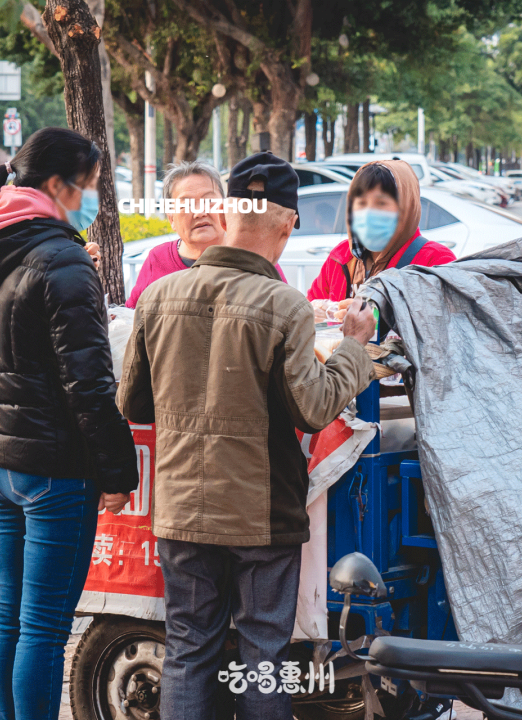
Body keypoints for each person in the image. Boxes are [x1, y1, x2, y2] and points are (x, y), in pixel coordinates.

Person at [117, 152, 377, 720]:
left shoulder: (159, 296)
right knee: (263, 654)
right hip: (261, 513)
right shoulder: (284, 305)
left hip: (181, 508)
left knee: (189, 647)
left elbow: (133, 404)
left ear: (227, 213)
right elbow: (314, 409)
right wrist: (354, 347)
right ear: (288, 224)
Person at [0, 127, 139, 720]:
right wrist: (117, 471)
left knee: (12, 617)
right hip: (55, 468)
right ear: (59, 185)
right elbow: (90, 385)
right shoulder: (59, 259)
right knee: (45, 628)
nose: (95, 199)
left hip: (1, 463)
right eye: (92, 186)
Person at [123, 160, 287, 308]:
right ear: (171, 218)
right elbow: (133, 316)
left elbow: (285, 311)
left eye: (209, 201)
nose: (200, 212)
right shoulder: (158, 259)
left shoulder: (255, 256)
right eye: (187, 204)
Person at [306, 160, 456, 315]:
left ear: (406, 207)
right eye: (361, 203)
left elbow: (445, 323)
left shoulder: (435, 261)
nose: (368, 214)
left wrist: (377, 318)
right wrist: (321, 313)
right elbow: (311, 306)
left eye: (381, 203)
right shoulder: (341, 257)